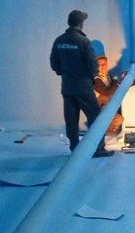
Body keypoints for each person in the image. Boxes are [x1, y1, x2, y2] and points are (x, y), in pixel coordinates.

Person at [49, 10, 114, 158]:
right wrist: (92, 76)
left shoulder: (59, 41)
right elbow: (93, 67)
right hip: (83, 88)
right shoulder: (84, 42)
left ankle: (75, 149)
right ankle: (98, 149)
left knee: (71, 120)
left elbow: (54, 64)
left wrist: (64, 73)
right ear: (81, 23)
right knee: (96, 117)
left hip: (67, 87)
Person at [94, 55, 124, 138]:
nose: (103, 66)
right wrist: (116, 84)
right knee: (119, 119)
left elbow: (113, 85)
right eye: (100, 64)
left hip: (109, 104)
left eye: (105, 64)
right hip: (100, 107)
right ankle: (105, 132)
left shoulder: (107, 76)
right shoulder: (97, 80)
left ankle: (109, 130)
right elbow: (107, 92)